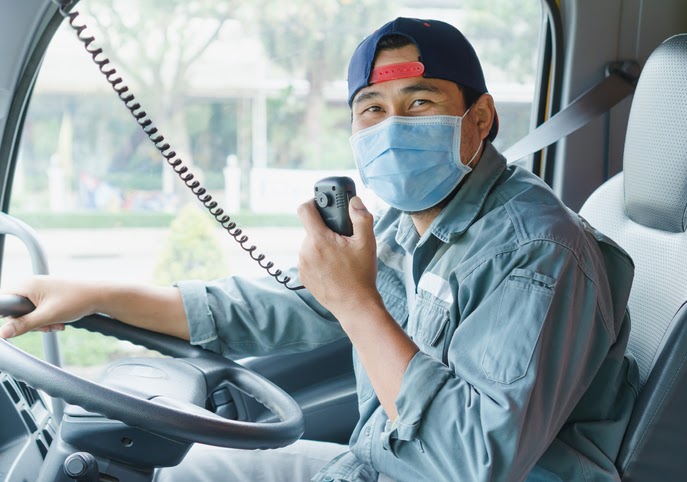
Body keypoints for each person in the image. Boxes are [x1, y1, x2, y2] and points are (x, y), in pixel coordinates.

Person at [0, 17, 639, 482]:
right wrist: (91, 297)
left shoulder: (539, 251)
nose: (392, 128)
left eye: (420, 103)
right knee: (184, 469)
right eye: (372, 110)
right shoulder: (412, 220)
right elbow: (286, 308)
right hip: (381, 464)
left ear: (480, 119)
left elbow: (471, 463)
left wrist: (358, 302)